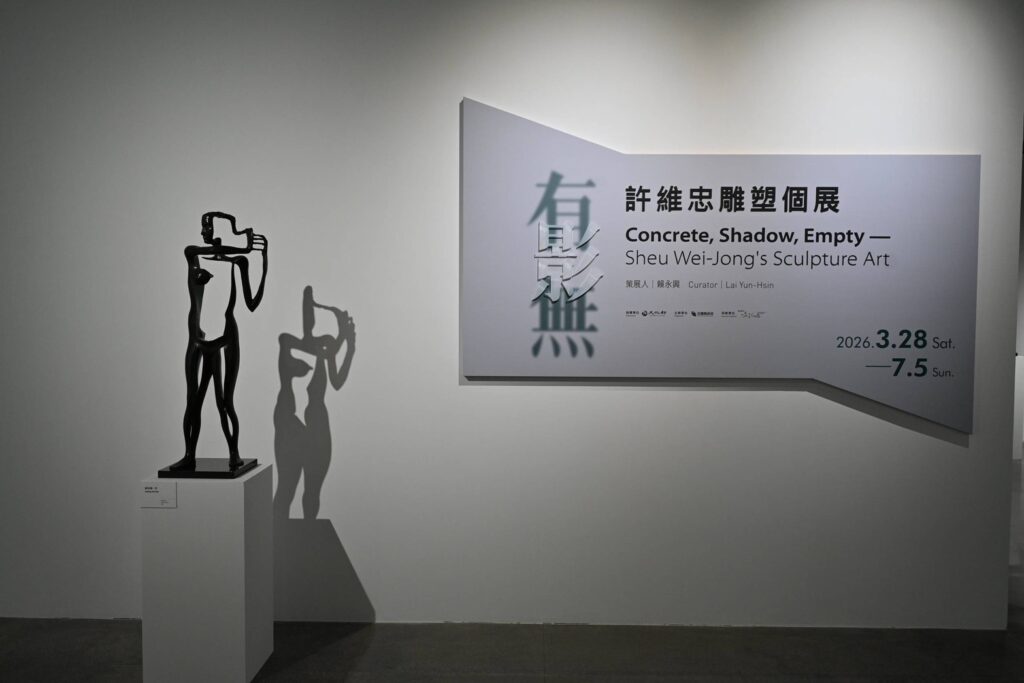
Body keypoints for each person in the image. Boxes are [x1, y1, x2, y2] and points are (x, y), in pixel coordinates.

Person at [169, 212, 268, 471]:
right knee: (193, 402)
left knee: (224, 402)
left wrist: (263, 263)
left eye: (208, 226)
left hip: (225, 340)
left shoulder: (238, 263)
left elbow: (252, 303)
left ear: (222, 229)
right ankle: (189, 454)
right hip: (198, 340)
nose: (204, 231)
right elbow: (210, 250)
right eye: (204, 226)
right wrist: (244, 247)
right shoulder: (193, 255)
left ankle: (234, 452)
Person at [273, 286, 355, 518]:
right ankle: (281, 535)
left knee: (310, 493)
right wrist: (342, 341)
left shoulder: (323, 349)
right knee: (287, 489)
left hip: (316, 426)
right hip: (291, 424)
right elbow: (334, 377)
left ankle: (307, 535)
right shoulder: (288, 343)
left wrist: (348, 346)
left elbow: (337, 381)